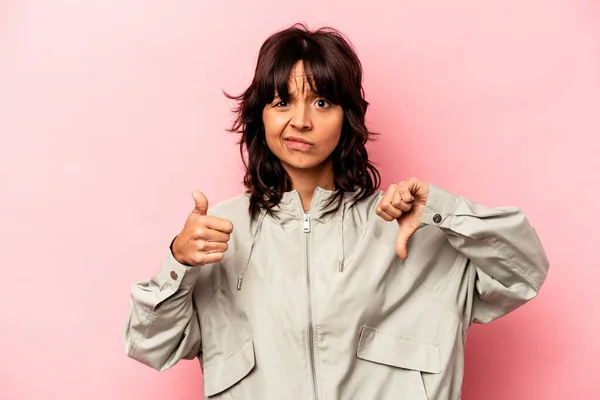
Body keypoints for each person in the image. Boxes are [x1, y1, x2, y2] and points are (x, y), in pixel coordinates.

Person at [123, 23, 549, 400]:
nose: (301, 121)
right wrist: (178, 261)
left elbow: (524, 273)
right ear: (261, 117)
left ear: (349, 116)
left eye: (322, 103)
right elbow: (151, 346)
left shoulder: (407, 226)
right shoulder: (221, 234)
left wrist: (443, 212)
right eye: (282, 102)